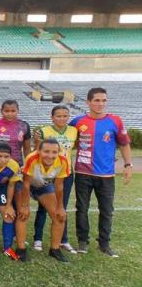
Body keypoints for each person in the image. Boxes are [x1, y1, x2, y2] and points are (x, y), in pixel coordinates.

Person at [70, 87, 132, 257]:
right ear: (88, 102)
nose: (100, 104)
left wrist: (128, 165)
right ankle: (82, 242)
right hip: (83, 173)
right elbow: (66, 141)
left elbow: (124, 144)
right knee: (81, 208)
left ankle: (104, 244)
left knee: (107, 210)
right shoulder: (77, 122)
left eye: (104, 100)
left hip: (106, 175)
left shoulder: (115, 121)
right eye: (97, 100)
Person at [0, 99, 31, 245]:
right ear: (1, 111)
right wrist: (0, 157)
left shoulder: (24, 126)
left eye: (13, 111)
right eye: (7, 111)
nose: (10, 114)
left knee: (16, 203)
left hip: (16, 170)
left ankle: (17, 233)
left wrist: (26, 166)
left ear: (18, 110)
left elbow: (27, 148)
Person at [32, 105, 78, 254]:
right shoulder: (44, 131)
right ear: (52, 117)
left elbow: (74, 147)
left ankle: (63, 240)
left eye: (65, 116)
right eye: (58, 116)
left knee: (61, 206)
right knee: (43, 207)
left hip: (66, 173)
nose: (62, 118)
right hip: (47, 174)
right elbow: (37, 151)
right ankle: (37, 239)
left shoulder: (73, 131)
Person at [16, 139, 70, 262]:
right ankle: (21, 250)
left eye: (54, 152)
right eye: (46, 151)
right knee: (23, 214)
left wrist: (60, 207)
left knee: (59, 216)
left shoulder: (63, 160)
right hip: (25, 184)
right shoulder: (32, 158)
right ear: (39, 151)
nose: (50, 155)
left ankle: (55, 249)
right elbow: (26, 183)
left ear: (58, 152)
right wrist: (25, 205)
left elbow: (59, 186)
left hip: (43, 185)